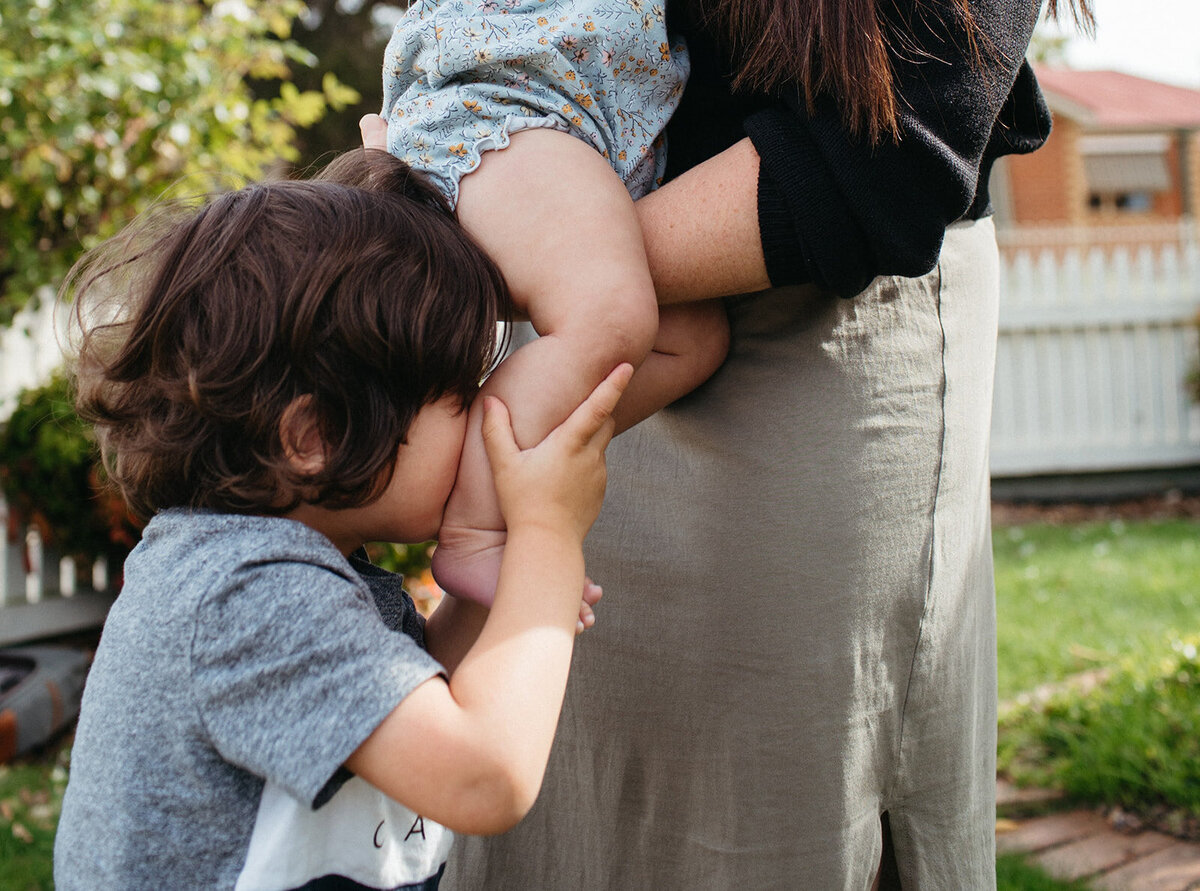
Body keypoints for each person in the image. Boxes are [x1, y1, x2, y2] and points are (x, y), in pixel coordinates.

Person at [379, 0, 1099, 886]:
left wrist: (567, 274)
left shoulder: (581, 275)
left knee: (768, 807)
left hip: (809, 312)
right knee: (560, 786)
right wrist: (562, 271)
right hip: (585, 290)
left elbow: (887, 154)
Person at [52, 155, 633, 890]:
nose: (482, 409)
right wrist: (548, 534)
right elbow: (483, 777)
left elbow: (430, 695)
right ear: (315, 436)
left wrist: (500, 574)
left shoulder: (286, 567)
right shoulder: (246, 597)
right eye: (454, 394)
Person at [378, 0, 730, 607]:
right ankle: (477, 524)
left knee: (694, 340)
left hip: (589, 129)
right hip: (508, 107)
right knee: (611, 317)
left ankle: (489, 463)